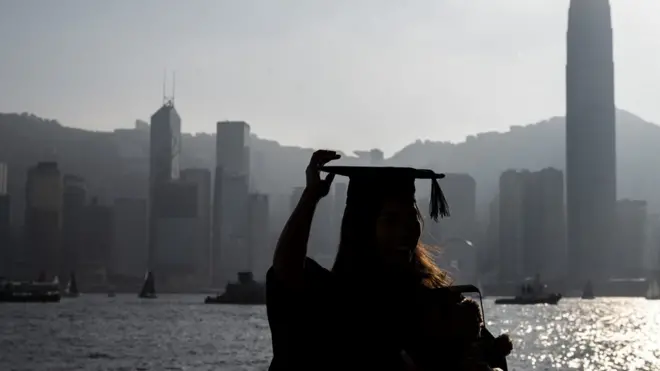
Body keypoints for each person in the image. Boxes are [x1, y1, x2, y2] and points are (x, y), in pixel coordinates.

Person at [266, 150, 510, 370]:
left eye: (411, 216)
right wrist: (310, 197)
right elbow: (287, 272)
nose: (406, 229)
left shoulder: (439, 304)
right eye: (391, 220)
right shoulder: (339, 298)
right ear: (363, 228)